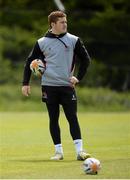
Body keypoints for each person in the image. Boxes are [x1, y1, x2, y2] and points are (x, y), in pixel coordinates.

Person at [22, 11, 91, 161]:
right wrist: (25, 83)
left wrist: (78, 77)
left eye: (66, 22)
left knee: (72, 117)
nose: (65, 24)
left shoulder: (74, 40)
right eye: (62, 22)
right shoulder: (41, 42)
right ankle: (58, 152)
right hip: (49, 86)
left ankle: (80, 151)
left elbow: (86, 60)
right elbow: (29, 62)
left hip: (67, 86)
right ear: (53, 24)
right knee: (53, 118)